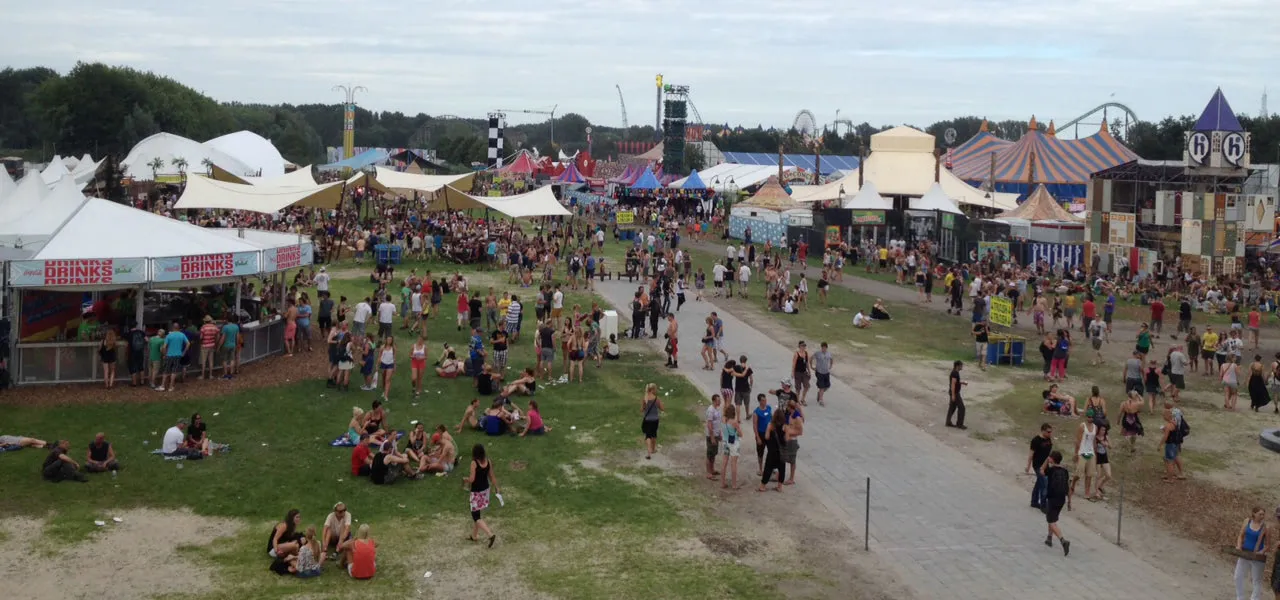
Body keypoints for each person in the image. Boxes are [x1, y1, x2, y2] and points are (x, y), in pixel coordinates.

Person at [464, 443, 500, 548]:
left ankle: (490, 534)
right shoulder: (488, 461)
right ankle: (474, 535)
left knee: (475, 516)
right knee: (478, 513)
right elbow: (492, 476)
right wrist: (497, 487)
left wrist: (465, 479)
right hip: (485, 490)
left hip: (476, 492)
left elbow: (472, 479)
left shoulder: (474, 463)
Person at [1234, 507, 1269, 600]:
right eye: (1260, 514)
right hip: (1245, 553)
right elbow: (1240, 536)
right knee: (1238, 576)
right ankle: (1240, 597)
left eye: (1263, 514)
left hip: (1257, 557)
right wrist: (1239, 546)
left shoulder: (1264, 527)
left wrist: (1260, 552)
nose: (1262, 516)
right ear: (1254, 513)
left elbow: (1267, 545)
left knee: (1256, 580)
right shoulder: (1247, 521)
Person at [1041, 450, 1071, 556]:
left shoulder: (1052, 470)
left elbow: (1041, 471)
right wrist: (1069, 502)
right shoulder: (1065, 471)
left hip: (1052, 498)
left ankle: (1063, 541)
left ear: (1052, 459)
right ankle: (1049, 538)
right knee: (1052, 518)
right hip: (1062, 499)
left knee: (1051, 521)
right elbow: (1068, 487)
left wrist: (1046, 461)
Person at [757, 408, 787, 493]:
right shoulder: (785, 426)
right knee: (782, 468)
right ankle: (779, 487)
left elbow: (766, 437)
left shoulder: (770, 425)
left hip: (772, 450)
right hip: (781, 451)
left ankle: (762, 486)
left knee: (768, 468)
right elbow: (786, 439)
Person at [1027, 423, 1053, 509]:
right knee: (1044, 484)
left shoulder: (1048, 439)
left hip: (1046, 464)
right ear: (1043, 431)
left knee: (1039, 482)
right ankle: (1043, 504)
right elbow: (1031, 454)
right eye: (1048, 432)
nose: (1050, 434)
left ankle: (1034, 501)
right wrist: (1028, 466)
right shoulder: (1036, 440)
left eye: (1051, 432)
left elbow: (1048, 452)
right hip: (1038, 464)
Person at [157, 322, 189, 392]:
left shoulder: (169, 335)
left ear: (173, 328)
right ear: (178, 328)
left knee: (166, 371)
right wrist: (183, 352)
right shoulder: (182, 335)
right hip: (178, 355)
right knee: (174, 371)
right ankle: (171, 387)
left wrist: (164, 354)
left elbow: (164, 347)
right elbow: (188, 344)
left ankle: (162, 386)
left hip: (169, 355)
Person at [720, 404, 742, 489]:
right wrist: (736, 432)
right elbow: (740, 434)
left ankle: (722, 483)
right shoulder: (734, 422)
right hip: (734, 443)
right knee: (733, 464)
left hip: (725, 442)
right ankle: (734, 485)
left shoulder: (723, 420)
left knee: (724, 463)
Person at [641, 382, 664, 460]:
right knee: (654, 434)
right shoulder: (656, 399)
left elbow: (642, 409)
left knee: (648, 436)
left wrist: (645, 408)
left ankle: (649, 452)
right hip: (655, 419)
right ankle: (653, 449)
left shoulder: (645, 398)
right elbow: (662, 408)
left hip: (647, 419)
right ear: (653, 389)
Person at [704, 394, 723, 480]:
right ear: (714, 401)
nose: (720, 401)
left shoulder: (717, 409)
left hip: (716, 434)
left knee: (714, 453)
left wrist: (719, 434)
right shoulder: (711, 410)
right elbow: (709, 424)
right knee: (710, 454)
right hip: (711, 435)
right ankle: (708, 473)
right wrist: (712, 437)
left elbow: (718, 423)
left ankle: (712, 469)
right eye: (718, 400)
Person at [946, 360, 967, 429]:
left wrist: (962, 383)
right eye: (961, 365)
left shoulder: (955, 372)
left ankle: (948, 422)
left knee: (952, 408)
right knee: (962, 408)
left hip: (954, 392)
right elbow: (953, 384)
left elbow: (956, 382)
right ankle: (959, 424)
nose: (962, 367)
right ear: (957, 366)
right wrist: (953, 395)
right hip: (955, 393)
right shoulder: (955, 373)